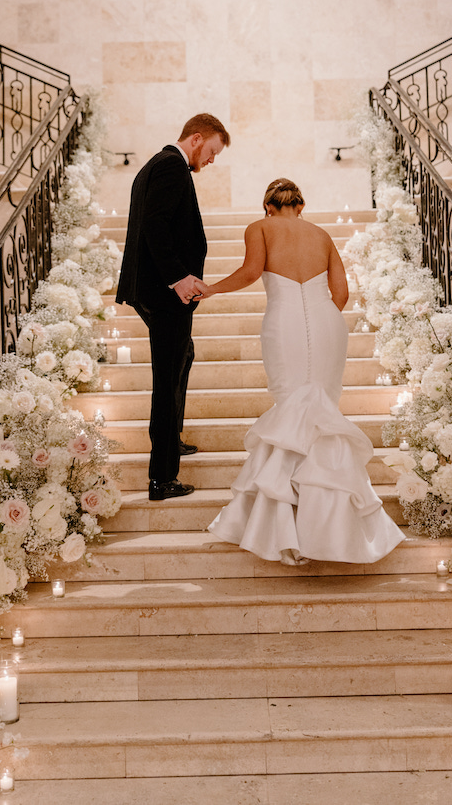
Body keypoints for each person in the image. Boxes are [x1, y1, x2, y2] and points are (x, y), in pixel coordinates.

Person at [200, 178, 405, 564]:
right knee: (322, 414)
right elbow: (340, 293)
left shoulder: (259, 228)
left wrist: (210, 289)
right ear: (301, 206)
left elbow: (250, 271)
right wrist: (321, 315)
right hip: (328, 322)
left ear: (268, 207)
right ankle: (332, 530)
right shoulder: (322, 234)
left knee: (292, 411)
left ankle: (286, 527)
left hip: (285, 322)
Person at [116, 114, 230, 501]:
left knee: (184, 356)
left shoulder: (156, 165)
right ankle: (162, 478)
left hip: (154, 290)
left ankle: (171, 441)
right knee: (166, 379)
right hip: (165, 293)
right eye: (212, 151)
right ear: (196, 139)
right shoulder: (171, 166)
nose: (211, 161)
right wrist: (178, 277)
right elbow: (155, 226)